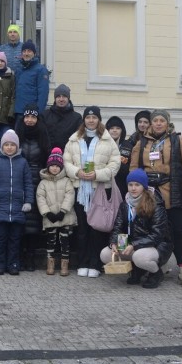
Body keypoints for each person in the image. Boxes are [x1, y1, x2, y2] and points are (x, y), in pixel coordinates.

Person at [129, 108, 182, 289]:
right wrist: (134, 187)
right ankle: (156, 266)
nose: (158, 123)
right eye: (155, 120)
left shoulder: (178, 140)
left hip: (171, 190)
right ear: (151, 123)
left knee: (178, 231)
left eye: (162, 120)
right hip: (149, 192)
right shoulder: (142, 142)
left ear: (167, 123)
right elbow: (134, 167)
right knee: (151, 230)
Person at [64, 106, 121, 278]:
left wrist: (97, 174)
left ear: (99, 120)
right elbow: (66, 161)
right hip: (80, 189)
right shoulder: (74, 139)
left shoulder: (107, 139)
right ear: (84, 120)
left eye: (94, 117)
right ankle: (82, 262)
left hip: (99, 190)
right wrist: (77, 172)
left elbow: (115, 164)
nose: (91, 120)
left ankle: (95, 263)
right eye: (88, 118)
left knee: (97, 228)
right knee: (82, 229)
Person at [102, 169, 173, 289]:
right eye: (130, 185)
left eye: (137, 185)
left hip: (157, 245)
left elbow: (157, 235)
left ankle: (156, 273)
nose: (133, 188)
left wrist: (134, 245)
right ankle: (137, 270)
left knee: (139, 257)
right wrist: (114, 242)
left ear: (144, 186)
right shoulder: (125, 204)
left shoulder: (155, 204)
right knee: (105, 254)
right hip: (133, 244)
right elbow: (118, 227)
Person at [0, 130, 33, 276]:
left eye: (13, 145)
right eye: (7, 144)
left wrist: (28, 201)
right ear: (2, 146)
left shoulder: (23, 162)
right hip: (0, 208)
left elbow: (28, 183)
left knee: (15, 240)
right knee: (0, 240)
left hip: (18, 209)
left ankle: (13, 264)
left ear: (17, 146)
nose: (10, 147)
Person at [15, 104, 51, 270]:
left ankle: (31, 256)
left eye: (33, 117)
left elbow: (46, 162)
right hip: (19, 180)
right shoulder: (17, 136)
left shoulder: (43, 137)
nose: (29, 120)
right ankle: (20, 256)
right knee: (20, 218)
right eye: (27, 117)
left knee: (34, 220)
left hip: (37, 181)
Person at [37, 148, 77, 276]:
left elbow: (70, 195)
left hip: (64, 216)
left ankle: (65, 264)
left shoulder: (66, 181)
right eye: (52, 166)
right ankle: (51, 263)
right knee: (51, 240)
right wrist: (47, 213)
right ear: (48, 167)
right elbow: (40, 198)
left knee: (64, 240)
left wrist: (63, 211)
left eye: (57, 166)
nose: (54, 168)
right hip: (50, 217)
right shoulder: (43, 183)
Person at [13, 39, 50, 120]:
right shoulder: (19, 69)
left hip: (32, 114)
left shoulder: (41, 70)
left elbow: (43, 93)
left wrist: (38, 113)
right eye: (24, 51)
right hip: (18, 112)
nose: (26, 53)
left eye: (29, 51)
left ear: (34, 53)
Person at [42, 84, 82, 151]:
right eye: (58, 96)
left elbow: (79, 139)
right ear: (55, 99)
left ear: (68, 98)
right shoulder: (45, 115)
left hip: (68, 155)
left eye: (64, 96)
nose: (61, 99)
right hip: (48, 155)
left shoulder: (76, 118)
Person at [106, 115, 131, 199]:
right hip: (106, 184)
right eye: (112, 128)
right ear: (107, 130)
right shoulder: (102, 144)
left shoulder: (127, 145)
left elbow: (130, 166)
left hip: (122, 185)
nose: (114, 130)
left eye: (118, 128)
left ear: (122, 130)